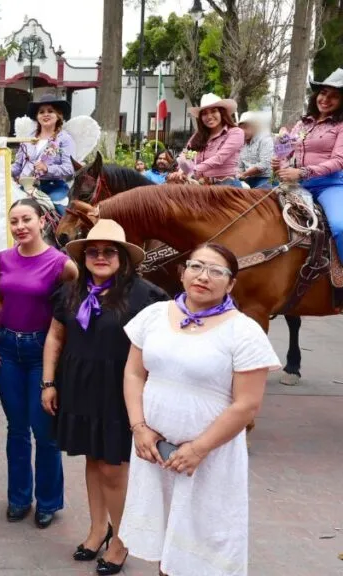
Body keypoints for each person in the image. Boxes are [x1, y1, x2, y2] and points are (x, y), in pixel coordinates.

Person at [120, 243, 280, 576]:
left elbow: (247, 403)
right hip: (152, 449)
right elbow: (134, 373)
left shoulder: (244, 331)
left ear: (231, 283)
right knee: (163, 533)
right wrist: (139, 427)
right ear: (183, 272)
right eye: (196, 267)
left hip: (208, 458)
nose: (203, 277)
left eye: (216, 271)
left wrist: (198, 449)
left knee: (200, 542)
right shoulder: (154, 315)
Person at [41, 220, 167, 574]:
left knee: (114, 466)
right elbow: (54, 337)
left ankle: (122, 540)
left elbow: (159, 350)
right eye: (92, 251)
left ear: (123, 258)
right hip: (78, 386)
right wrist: (48, 382)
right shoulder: (70, 291)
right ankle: (98, 529)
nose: (100, 257)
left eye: (108, 251)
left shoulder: (146, 296)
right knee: (93, 461)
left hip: (119, 390)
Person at [0, 198, 78, 528]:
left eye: (26, 219)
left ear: (42, 221)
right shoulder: (4, 258)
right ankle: (19, 497)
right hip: (9, 349)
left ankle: (49, 501)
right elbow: (2, 300)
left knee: (45, 430)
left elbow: (74, 304)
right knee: (16, 428)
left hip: (43, 352)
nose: (20, 227)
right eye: (14, 221)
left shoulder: (61, 263)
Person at [274, 68, 343, 260]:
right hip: (297, 185)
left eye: (334, 96)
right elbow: (286, 152)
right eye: (323, 93)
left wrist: (302, 172)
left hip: (329, 186)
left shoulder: (341, 125)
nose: (326, 99)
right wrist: (279, 162)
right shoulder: (303, 123)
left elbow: (339, 161)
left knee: (340, 226)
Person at [11, 95, 76, 215]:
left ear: (58, 115)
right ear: (37, 117)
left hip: (53, 187)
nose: (45, 114)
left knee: (61, 211)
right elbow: (18, 166)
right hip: (26, 187)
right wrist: (2, 168)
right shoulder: (28, 138)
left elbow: (70, 169)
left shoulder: (65, 139)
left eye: (50, 111)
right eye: (41, 112)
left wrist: (47, 169)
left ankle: (62, 234)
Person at [167, 93, 244, 186]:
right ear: (201, 118)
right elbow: (188, 156)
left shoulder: (235, 132)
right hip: (201, 185)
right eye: (204, 113)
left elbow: (219, 158)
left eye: (213, 111)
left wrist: (193, 170)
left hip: (226, 185)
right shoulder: (198, 136)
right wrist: (180, 171)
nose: (209, 116)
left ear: (222, 113)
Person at [237, 111, 273, 189]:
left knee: (260, 195)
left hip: (264, 178)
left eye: (246, 127)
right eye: (241, 128)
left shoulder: (265, 140)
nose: (243, 131)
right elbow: (240, 166)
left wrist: (245, 174)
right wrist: (239, 174)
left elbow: (264, 164)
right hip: (247, 178)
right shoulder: (241, 143)